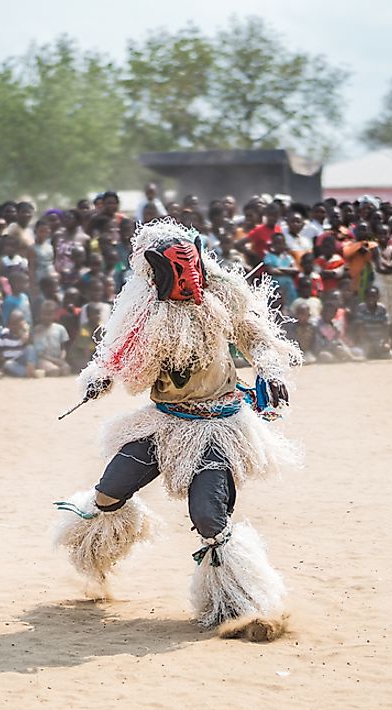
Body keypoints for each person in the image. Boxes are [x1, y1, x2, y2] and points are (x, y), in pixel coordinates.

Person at [52, 219, 301, 642]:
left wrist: (271, 367)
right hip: (163, 423)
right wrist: (98, 378)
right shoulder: (143, 312)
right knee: (108, 493)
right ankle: (94, 554)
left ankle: (245, 605)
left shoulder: (224, 297)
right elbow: (113, 357)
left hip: (218, 427)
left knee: (209, 518)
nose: (187, 275)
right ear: (154, 270)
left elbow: (256, 335)